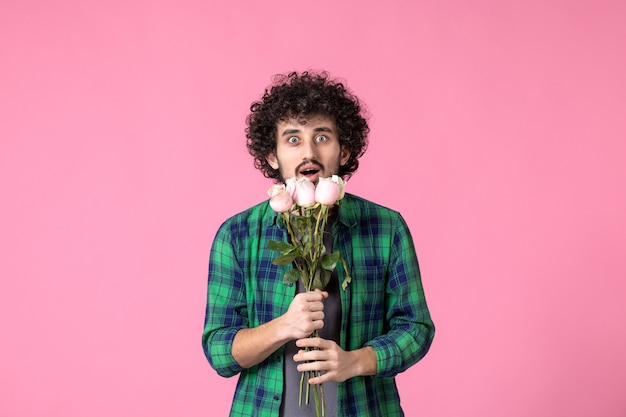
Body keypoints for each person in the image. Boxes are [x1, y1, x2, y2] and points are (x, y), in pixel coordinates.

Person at [202, 71, 435, 417]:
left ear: (344, 150)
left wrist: (356, 361)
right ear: (272, 155)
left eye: (322, 137)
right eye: (293, 140)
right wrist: (283, 326)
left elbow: (416, 329)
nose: (309, 151)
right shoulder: (237, 235)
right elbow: (220, 352)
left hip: (366, 409)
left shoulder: (386, 228)